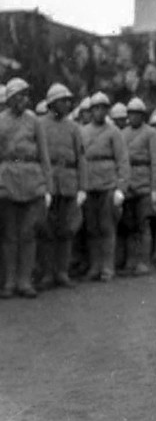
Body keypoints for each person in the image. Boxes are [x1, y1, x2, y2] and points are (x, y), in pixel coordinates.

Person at [0, 78, 53, 298]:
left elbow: (44, 155)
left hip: (32, 182)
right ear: (10, 99)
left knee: (28, 234)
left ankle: (24, 281)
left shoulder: (34, 121)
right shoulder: (0, 121)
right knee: (9, 235)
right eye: (19, 96)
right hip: (7, 181)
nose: (23, 100)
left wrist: (48, 188)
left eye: (25, 96)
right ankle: (10, 282)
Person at [38, 83, 88, 289]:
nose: (67, 104)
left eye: (68, 101)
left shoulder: (74, 128)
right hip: (48, 184)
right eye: (62, 101)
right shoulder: (40, 125)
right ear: (51, 104)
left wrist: (82, 188)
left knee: (67, 230)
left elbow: (82, 158)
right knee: (47, 230)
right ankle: (48, 273)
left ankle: (62, 272)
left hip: (69, 183)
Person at [81, 92, 129, 282]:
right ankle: (95, 266)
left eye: (103, 108)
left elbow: (123, 161)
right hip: (89, 185)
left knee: (107, 227)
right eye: (96, 108)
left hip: (108, 185)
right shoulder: (83, 132)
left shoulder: (113, 132)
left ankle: (107, 267)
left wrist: (121, 188)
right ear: (91, 111)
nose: (99, 112)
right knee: (91, 228)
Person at [119, 97, 156, 276]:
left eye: (137, 114)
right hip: (128, 186)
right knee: (129, 225)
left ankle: (144, 261)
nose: (133, 117)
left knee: (143, 224)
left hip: (145, 185)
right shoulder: (123, 133)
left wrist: (155, 190)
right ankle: (131, 260)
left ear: (143, 115)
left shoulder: (151, 133)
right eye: (130, 114)